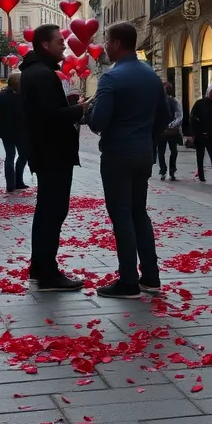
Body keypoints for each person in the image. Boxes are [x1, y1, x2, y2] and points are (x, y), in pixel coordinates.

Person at [87, 22, 169, 299]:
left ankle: (128, 281)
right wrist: (149, 139)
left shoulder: (111, 78)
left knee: (121, 215)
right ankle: (151, 277)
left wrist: (88, 113)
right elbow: (164, 116)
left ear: (118, 44)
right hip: (143, 153)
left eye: (107, 42)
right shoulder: (151, 76)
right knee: (139, 213)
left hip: (117, 154)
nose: (105, 47)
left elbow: (99, 121)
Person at [20, 24, 86, 291]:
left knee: (47, 210)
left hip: (45, 152)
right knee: (53, 211)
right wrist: (78, 109)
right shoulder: (43, 75)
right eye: (59, 42)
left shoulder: (35, 72)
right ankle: (48, 273)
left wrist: (67, 106)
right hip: (54, 152)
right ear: (45, 45)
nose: (64, 46)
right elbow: (50, 117)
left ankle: (40, 267)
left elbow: (45, 112)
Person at [0, 72, 30, 191]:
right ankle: (16, 181)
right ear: (15, 83)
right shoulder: (17, 96)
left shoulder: (2, 96)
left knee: (13, 156)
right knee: (19, 155)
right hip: (17, 131)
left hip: (10, 131)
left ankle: (12, 183)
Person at [158, 83, 183, 181]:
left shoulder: (159, 102)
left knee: (161, 151)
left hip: (162, 130)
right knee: (173, 151)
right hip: (172, 131)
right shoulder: (175, 101)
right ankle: (171, 171)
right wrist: (173, 125)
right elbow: (179, 116)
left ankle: (163, 170)